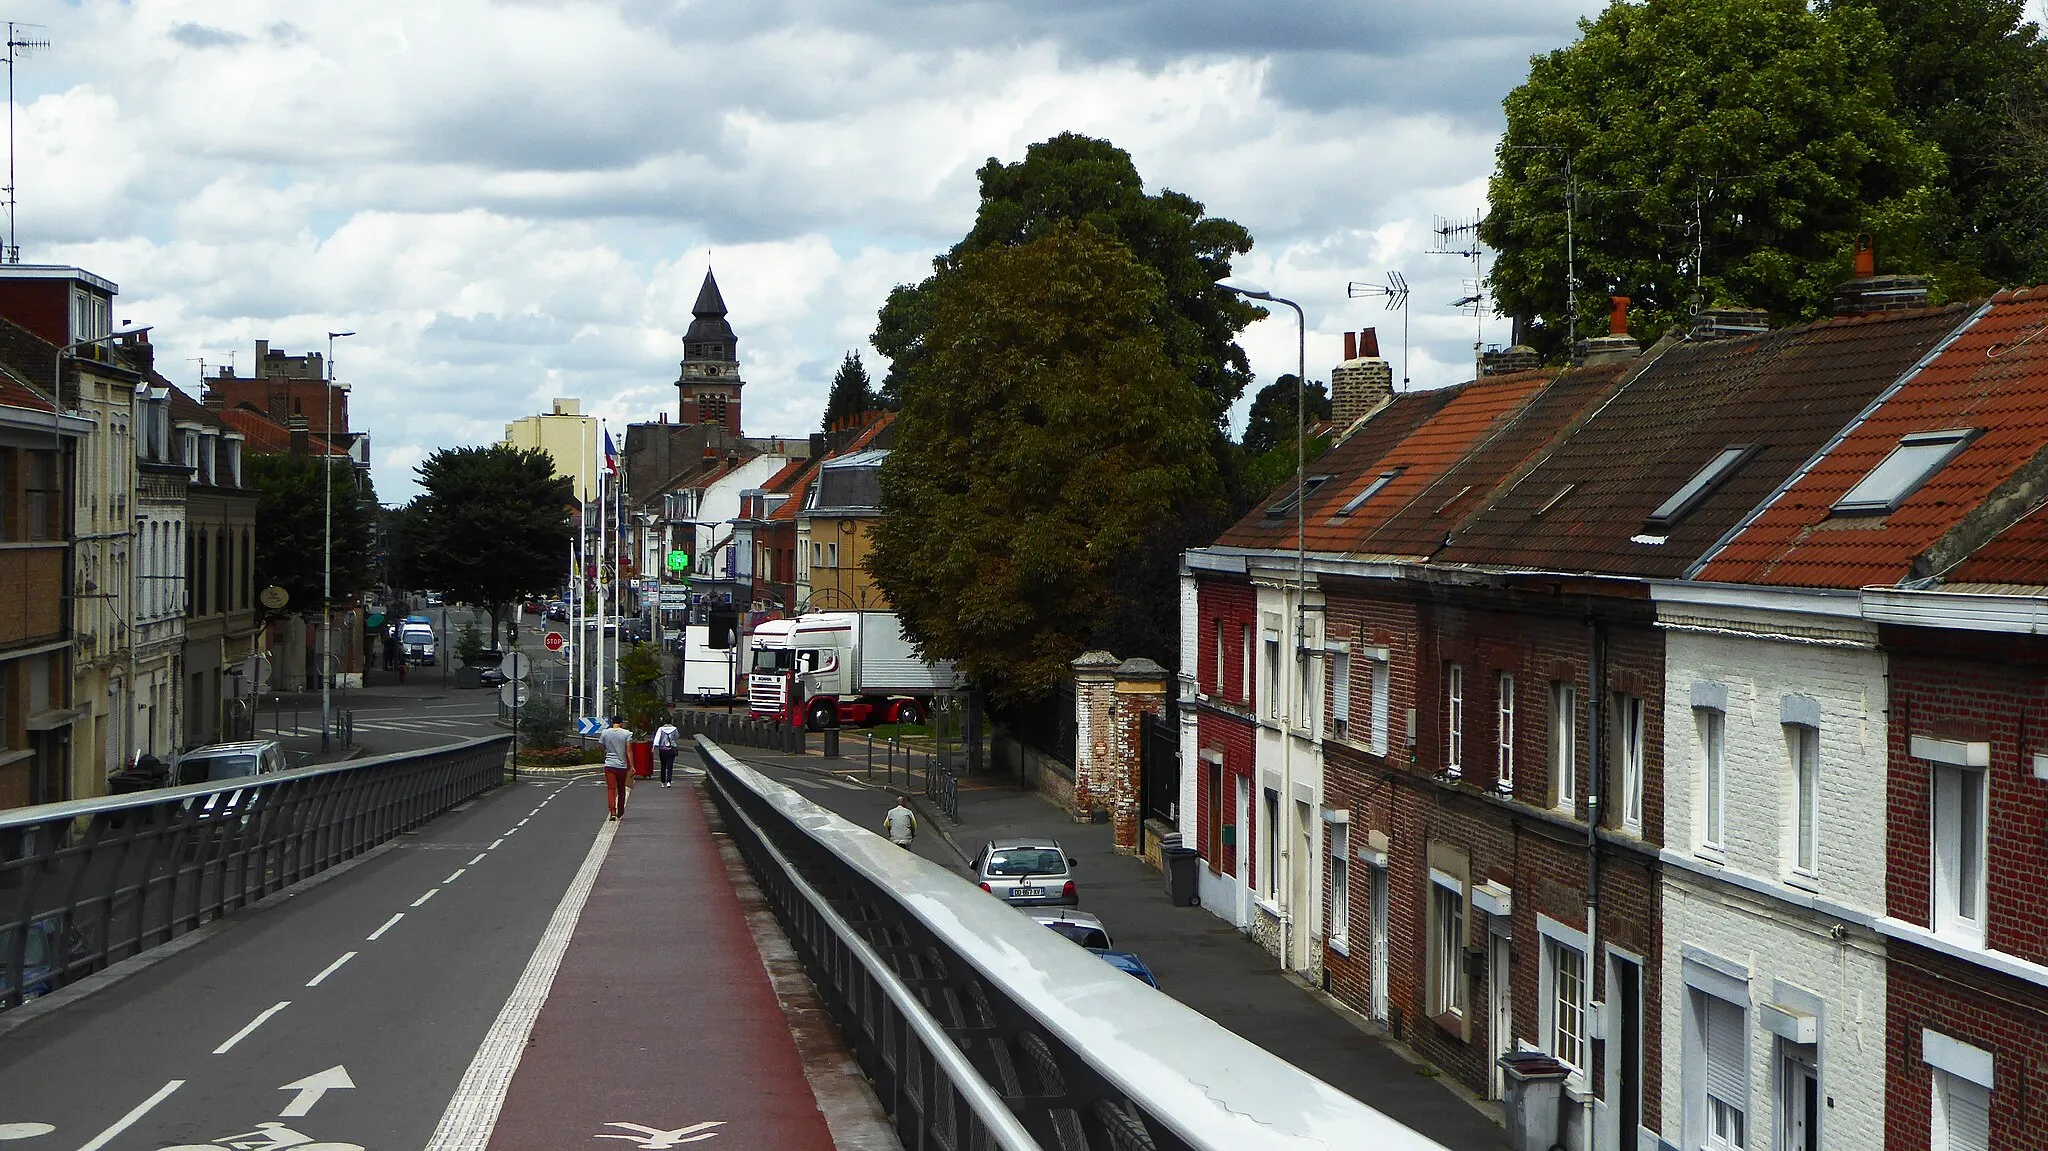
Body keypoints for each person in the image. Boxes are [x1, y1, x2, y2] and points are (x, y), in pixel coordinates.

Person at [600, 715, 634, 820]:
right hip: (621, 766)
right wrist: (632, 766)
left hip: (609, 765)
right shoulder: (627, 734)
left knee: (611, 789)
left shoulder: (605, 733)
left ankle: (612, 811)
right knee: (621, 789)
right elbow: (629, 750)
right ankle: (620, 811)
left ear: (612, 722)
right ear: (621, 723)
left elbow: (601, 747)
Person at [653, 716, 680, 786]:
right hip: (671, 749)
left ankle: (662, 781)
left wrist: (654, 747)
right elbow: (677, 736)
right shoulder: (674, 729)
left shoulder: (660, 729)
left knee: (663, 766)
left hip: (662, 749)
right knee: (670, 766)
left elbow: (657, 738)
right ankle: (669, 782)